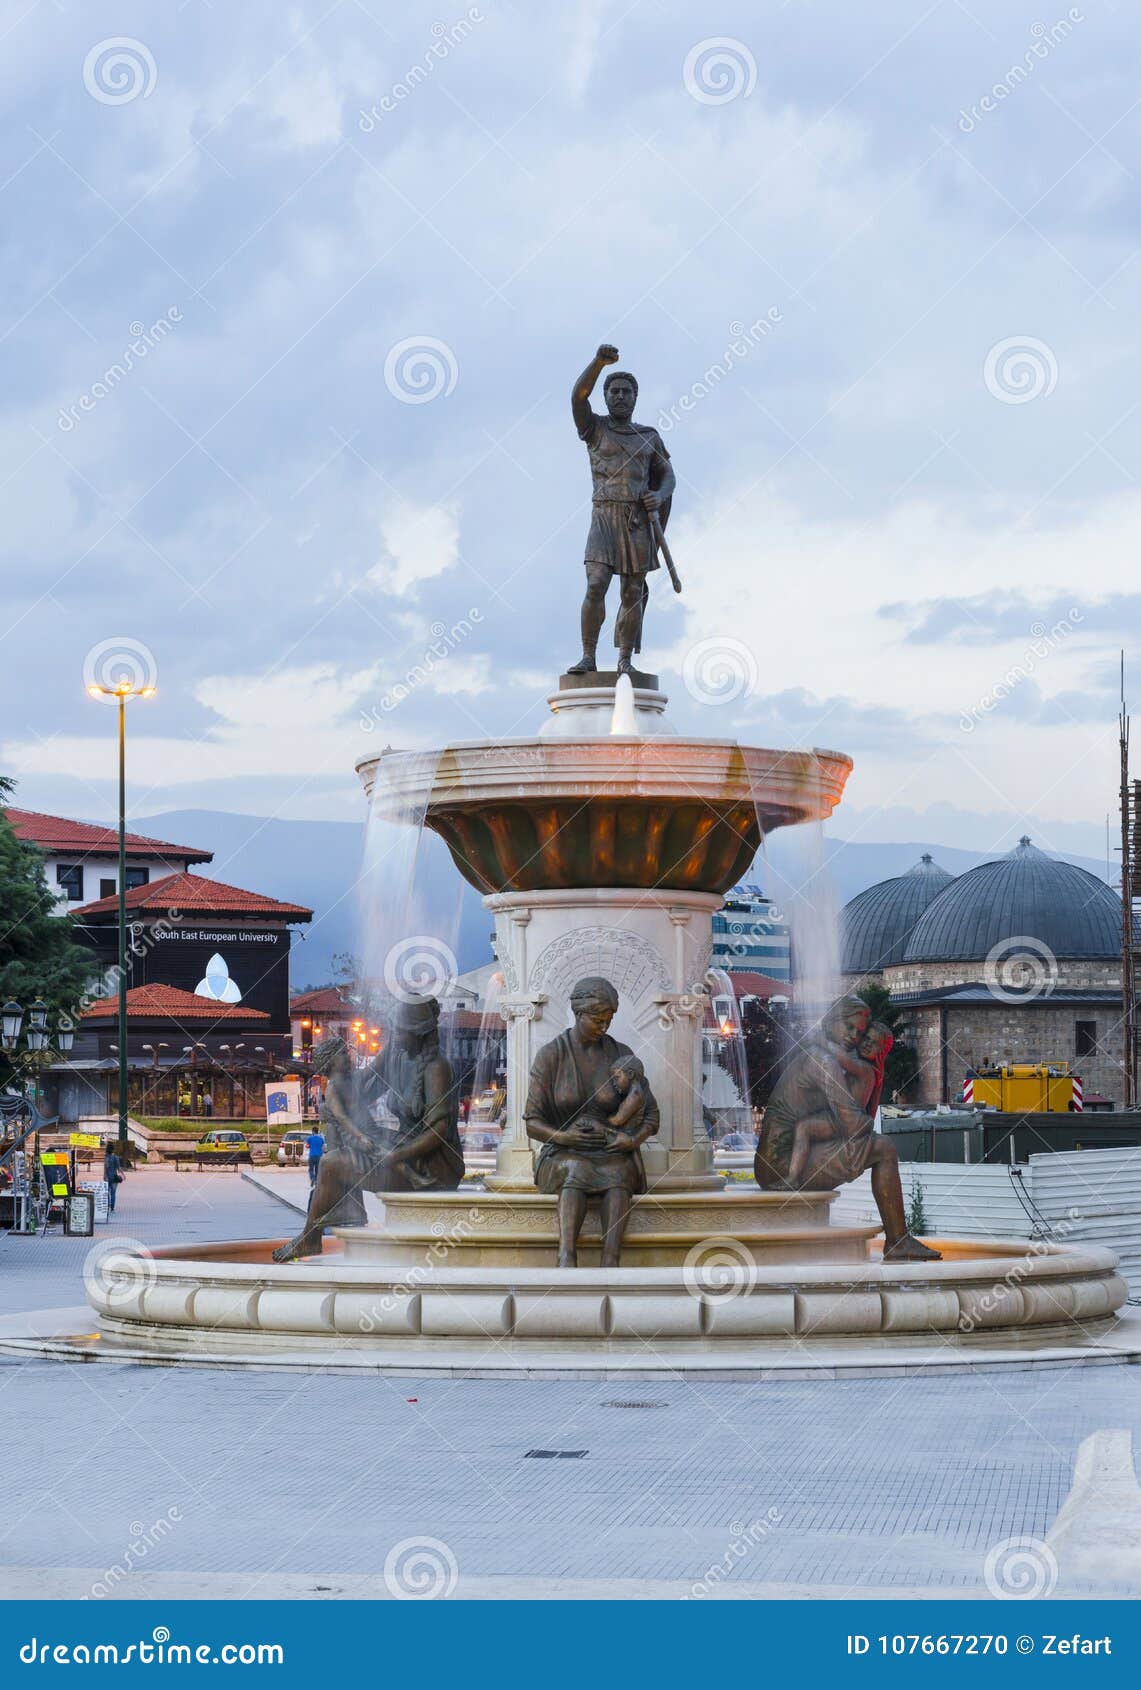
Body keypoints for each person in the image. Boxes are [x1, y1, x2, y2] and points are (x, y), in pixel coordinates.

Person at [273, 999, 464, 1262]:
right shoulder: (397, 1055)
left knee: (330, 1164)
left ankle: (310, 1239)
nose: (394, 1036)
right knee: (337, 1158)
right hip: (404, 1149)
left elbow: (439, 1130)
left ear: (418, 1033)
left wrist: (395, 1156)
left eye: (400, 1031)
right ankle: (317, 1233)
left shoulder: (436, 1068)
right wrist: (336, 1092)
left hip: (432, 1166)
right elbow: (363, 1087)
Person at [755, 998, 939, 1262]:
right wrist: (865, 1120)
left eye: (859, 1032)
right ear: (831, 1020)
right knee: (883, 1148)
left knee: (873, 1143)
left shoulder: (817, 1052)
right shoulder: (824, 1061)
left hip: (774, 1160)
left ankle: (899, 1241)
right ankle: (898, 1241)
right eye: (849, 1027)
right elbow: (851, 1123)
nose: (854, 1037)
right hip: (780, 1165)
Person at [525, 977, 659, 1268]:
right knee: (575, 1166)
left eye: (609, 1020)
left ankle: (611, 1258)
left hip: (611, 1150)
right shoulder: (551, 1056)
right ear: (579, 1014)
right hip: (561, 1151)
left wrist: (632, 1140)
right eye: (598, 1020)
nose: (604, 1027)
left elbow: (651, 1114)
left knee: (622, 1169)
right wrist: (564, 1138)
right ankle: (566, 1255)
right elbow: (532, 1123)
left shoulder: (621, 1055)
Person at [566, 344, 676, 678]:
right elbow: (577, 398)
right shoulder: (595, 429)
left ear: (635, 398)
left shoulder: (648, 436)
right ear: (605, 396)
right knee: (596, 584)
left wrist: (659, 494)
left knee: (631, 590)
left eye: (626, 392)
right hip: (604, 516)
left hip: (636, 521)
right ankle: (588, 656)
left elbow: (668, 475)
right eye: (613, 391)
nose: (620, 396)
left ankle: (625, 659)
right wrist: (599, 362)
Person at [103, 1142, 124, 1215]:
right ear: (113, 1149)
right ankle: (112, 1208)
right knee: (113, 1193)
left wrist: (104, 1176)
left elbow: (105, 1167)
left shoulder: (106, 1157)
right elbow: (118, 1168)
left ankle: (107, 1207)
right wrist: (123, 1175)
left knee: (107, 1193)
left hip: (108, 1177)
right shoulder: (116, 1157)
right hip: (114, 1178)